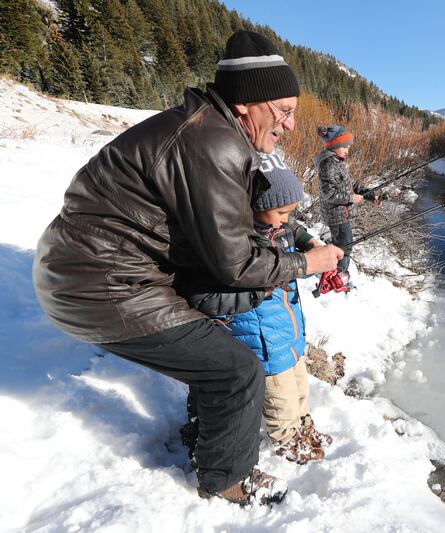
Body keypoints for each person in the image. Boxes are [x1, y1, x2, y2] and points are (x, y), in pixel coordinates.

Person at [32, 30, 343, 506]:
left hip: (87, 273)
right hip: (101, 285)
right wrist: (307, 261)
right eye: (283, 110)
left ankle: (204, 439)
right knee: (237, 370)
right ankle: (225, 480)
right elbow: (237, 265)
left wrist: (286, 245)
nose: (291, 124)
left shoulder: (205, 131)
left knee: (215, 349)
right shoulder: (213, 144)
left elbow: (225, 245)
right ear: (246, 104)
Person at [178, 151, 333, 466]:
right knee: (280, 400)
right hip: (260, 343)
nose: (286, 219)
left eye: (291, 211)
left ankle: (303, 426)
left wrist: (307, 242)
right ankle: (289, 443)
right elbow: (208, 298)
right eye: (281, 211)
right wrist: (261, 288)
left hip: (288, 332)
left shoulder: (277, 227)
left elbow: (293, 228)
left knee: (300, 386)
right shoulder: (234, 247)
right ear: (253, 206)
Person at [314, 125, 382, 284]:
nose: (347, 150)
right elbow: (329, 194)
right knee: (345, 247)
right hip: (336, 215)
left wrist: (371, 195)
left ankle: (337, 275)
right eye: (345, 147)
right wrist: (351, 198)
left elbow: (352, 185)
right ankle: (338, 278)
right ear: (335, 145)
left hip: (340, 213)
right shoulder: (329, 164)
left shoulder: (337, 163)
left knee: (344, 245)